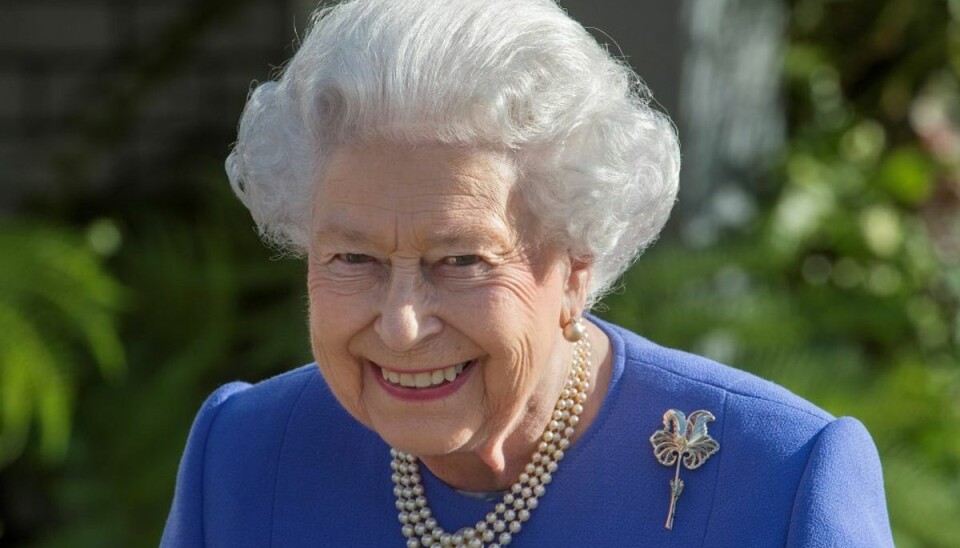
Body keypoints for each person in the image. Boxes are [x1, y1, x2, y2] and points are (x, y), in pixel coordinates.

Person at [161, 0, 894, 546]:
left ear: (577, 266)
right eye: (355, 259)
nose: (401, 323)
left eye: (461, 261)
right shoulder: (247, 455)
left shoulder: (779, 480)